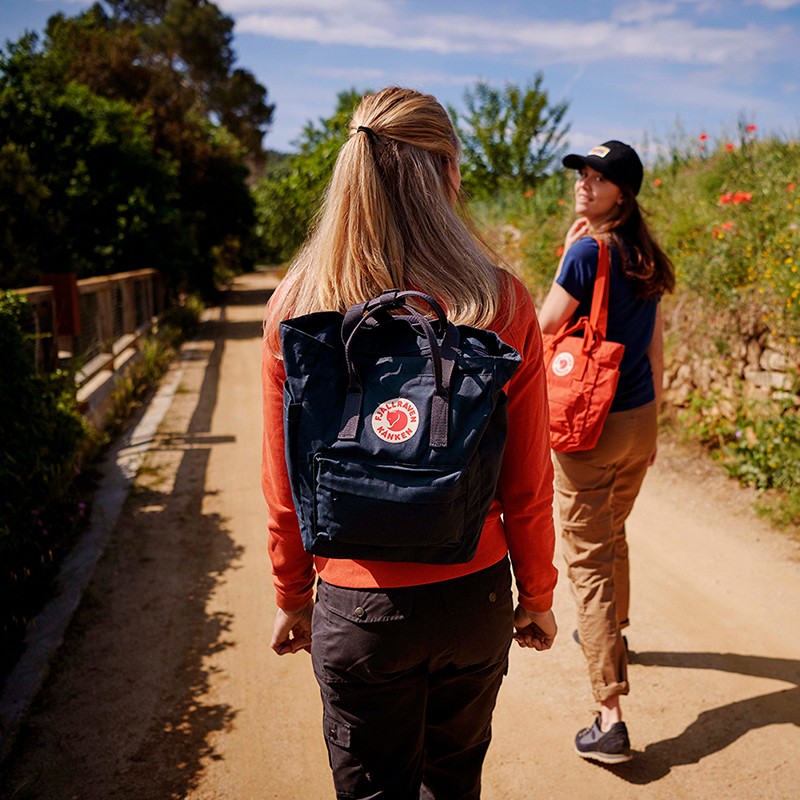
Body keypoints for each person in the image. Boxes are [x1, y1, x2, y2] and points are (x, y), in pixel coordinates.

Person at [261, 87, 558, 799]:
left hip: (357, 608)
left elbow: (285, 483)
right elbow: (527, 478)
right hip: (473, 596)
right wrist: (538, 592)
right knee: (453, 784)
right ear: (448, 173)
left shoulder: (299, 304)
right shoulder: (499, 299)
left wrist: (291, 591)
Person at [538, 140, 675, 765]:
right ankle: (613, 634)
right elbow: (654, 346)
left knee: (587, 560)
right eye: (582, 175)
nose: (584, 184)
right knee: (612, 530)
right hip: (638, 420)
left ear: (623, 192)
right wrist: (656, 424)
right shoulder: (644, 253)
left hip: (588, 424)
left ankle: (609, 714)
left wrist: (569, 253)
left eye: (598, 179)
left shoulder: (588, 251)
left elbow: (543, 325)